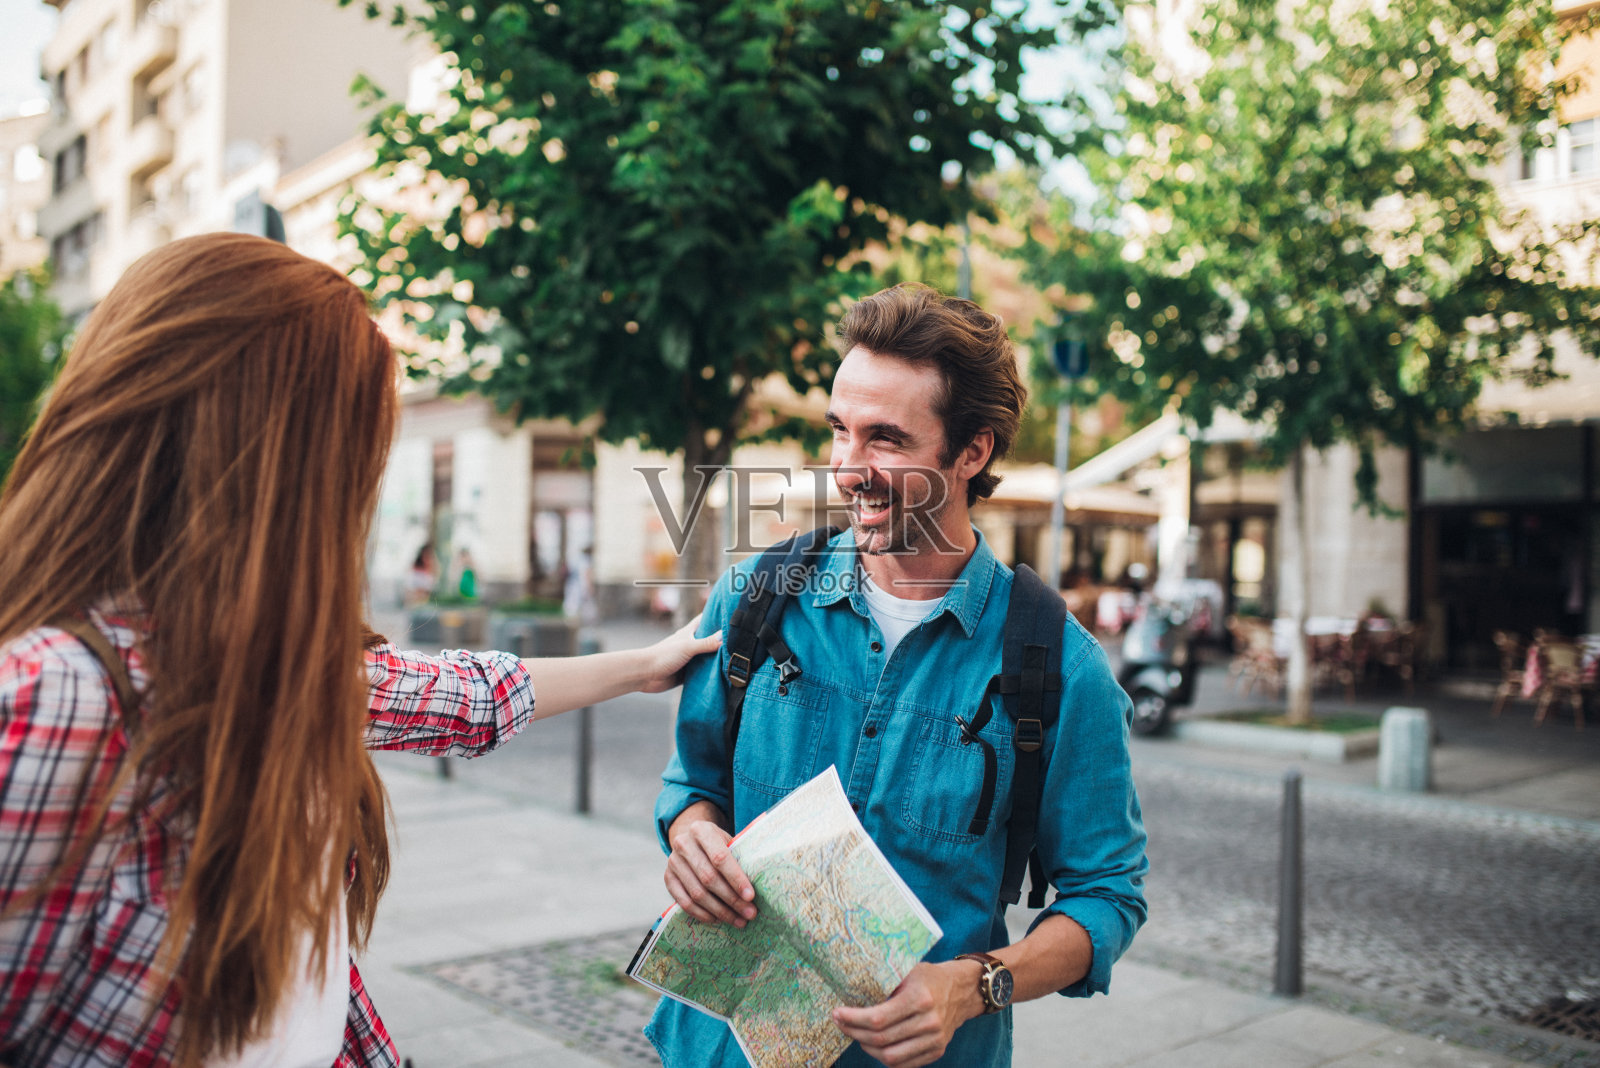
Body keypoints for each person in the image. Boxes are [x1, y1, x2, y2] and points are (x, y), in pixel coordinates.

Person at [0, 233, 720, 1068]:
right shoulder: (61, 698)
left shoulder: (272, 665)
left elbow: (468, 696)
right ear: (272, 458)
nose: (365, 484)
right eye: (355, 444)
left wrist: (645, 663)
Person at [649, 283, 1148, 1068]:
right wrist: (694, 839)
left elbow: (1107, 897)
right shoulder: (754, 602)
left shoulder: (1060, 667)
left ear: (972, 451)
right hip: (717, 1048)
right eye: (840, 431)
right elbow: (691, 787)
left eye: (885, 439)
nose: (849, 468)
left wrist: (975, 985)